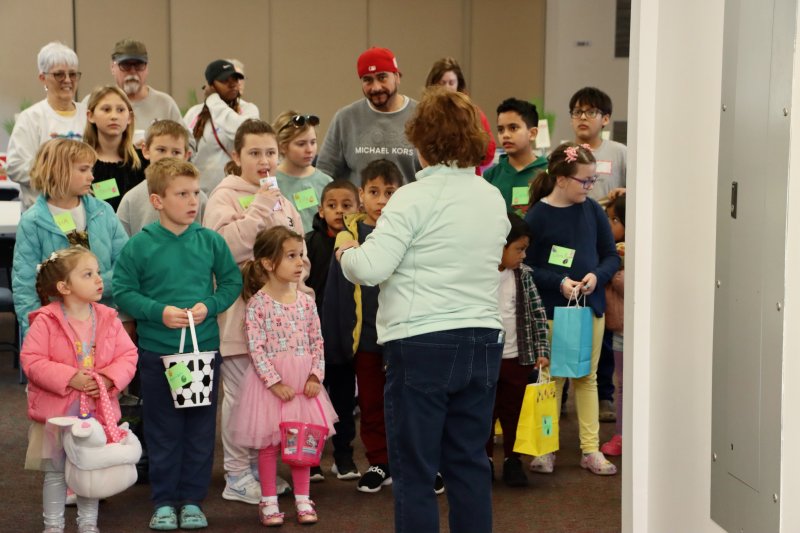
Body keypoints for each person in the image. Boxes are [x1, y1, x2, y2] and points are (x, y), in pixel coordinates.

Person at [336, 87, 509, 533]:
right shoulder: (491, 197)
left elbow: (370, 268)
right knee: (469, 463)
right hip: (483, 339)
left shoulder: (411, 198)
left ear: (422, 141)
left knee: (413, 470)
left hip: (422, 342)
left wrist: (344, 249)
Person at [112, 158, 242, 530]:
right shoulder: (140, 246)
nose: (193, 201)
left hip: (203, 352)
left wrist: (211, 305)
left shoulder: (210, 240)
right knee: (163, 429)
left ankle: (192, 501)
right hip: (158, 352)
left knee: (200, 430)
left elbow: (231, 283)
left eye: (196, 193)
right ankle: (164, 501)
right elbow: (123, 291)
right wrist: (157, 311)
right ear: (156, 201)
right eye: (182, 194)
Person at [203, 118, 307, 504]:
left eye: (270, 153)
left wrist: (300, 280)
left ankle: (258, 470)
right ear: (236, 156)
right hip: (239, 318)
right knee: (240, 398)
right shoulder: (223, 196)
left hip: (283, 322)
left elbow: (299, 252)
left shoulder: (285, 198)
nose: (264, 160)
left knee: (267, 399)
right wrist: (260, 206)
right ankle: (235, 474)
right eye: (255, 153)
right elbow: (226, 249)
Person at [21, 245, 137, 533]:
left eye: (97, 272)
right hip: (57, 417)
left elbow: (128, 355)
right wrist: (70, 377)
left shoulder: (108, 318)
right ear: (64, 286)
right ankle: (53, 526)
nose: (99, 279)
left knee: (90, 470)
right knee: (56, 475)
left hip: (95, 413)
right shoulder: (46, 321)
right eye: (88, 274)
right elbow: (32, 361)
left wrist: (110, 379)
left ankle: (88, 525)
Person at [228, 226, 337, 526]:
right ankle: (269, 502)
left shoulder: (306, 301)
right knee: (269, 446)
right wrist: (274, 382)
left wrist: (316, 375)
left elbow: (318, 341)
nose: (300, 262)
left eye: (300, 255)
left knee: (301, 443)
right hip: (270, 387)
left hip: (303, 384)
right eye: (291, 256)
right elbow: (256, 348)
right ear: (267, 263)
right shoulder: (258, 304)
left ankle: (303, 499)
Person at [523, 142, 620, 477]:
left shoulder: (592, 211)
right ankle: (547, 448)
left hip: (588, 310)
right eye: (584, 181)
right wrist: (559, 281)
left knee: (587, 377)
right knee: (552, 379)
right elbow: (527, 266)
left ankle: (590, 449)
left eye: (593, 180)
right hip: (552, 311)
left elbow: (611, 256)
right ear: (561, 179)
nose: (590, 187)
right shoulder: (537, 216)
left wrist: (597, 275)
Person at [322, 159, 402, 491]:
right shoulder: (348, 235)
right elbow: (336, 293)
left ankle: (414, 462)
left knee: (408, 404)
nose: (381, 200)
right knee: (370, 403)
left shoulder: (405, 230)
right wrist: (336, 341)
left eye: (390, 192)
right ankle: (379, 462)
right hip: (366, 338)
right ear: (361, 194)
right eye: (373, 192)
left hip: (401, 336)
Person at [12, 138, 128, 340]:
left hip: (104, 323)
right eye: (83, 170)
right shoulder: (33, 221)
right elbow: (25, 284)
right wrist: (36, 332)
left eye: (91, 169)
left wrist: (93, 286)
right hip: (57, 329)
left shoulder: (104, 212)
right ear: (58, 170)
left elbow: (126, 264)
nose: (91, 177)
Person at [568, 87, 628, 422]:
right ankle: (561, 391)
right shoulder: (568, 153)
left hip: (607, 244)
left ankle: (604, 394)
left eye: (590, 112)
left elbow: (637, 188)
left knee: (602, 322)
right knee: (565, 318)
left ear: (605, 119)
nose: (582, 118)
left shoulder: (618, 152)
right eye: (577, 111)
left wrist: (624, 193)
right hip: (573, 243)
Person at [488, 212, 550, 488]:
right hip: (486, 359)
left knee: (514, 413)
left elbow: (537, 314)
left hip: (517, 357)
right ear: (499, 245)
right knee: (484, 414)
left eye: (525, 249)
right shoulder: (481, 275)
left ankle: (514, 460)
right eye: (519, 249)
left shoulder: (523, 276)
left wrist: (541, 349)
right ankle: (484, 460)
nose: (523, 255)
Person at [316, 47, 420, 185]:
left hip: (409, 205)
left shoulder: (422, 116)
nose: (376, 87)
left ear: (397, 77)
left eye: (382, 77)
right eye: (368, 80)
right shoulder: (345, 119)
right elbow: (324, 174)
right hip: (359, 207)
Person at [7, 42, 87, 209]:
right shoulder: (31, 118)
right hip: (42, 216)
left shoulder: (87, 115)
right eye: (59, 74)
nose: (67, 80)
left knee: (77, 236)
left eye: (72, 74)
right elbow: (16, 166)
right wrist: (61, 178)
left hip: (82, 213)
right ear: (42, 78)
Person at [117, 119, 209, 236]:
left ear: (186, 156)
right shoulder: (131, 199)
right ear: (145, 150)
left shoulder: (199, 198)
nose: (168, 157)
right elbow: (122, 245)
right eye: (161, 150)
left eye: (176, 152)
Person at [184, 59, 259, 195]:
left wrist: (213, 99)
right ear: (211, 85)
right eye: (225, 80)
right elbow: (185, 150)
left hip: (241, 191)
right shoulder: (194, 114)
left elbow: (242, 131)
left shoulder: (249, 110)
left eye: (235, 79)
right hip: (203, 193)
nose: (233, 85)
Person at [424, 57, 495, 174]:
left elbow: (488, 153)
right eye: (442, 83)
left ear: (459, 85)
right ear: (433, 85)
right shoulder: (425, 115)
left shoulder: (473, 113)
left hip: (467, 176)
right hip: (434, 177)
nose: (447, 88)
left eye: (451, 83)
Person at [102, 39, 182, 143]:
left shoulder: (165, 104)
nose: (132, 71)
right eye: (125, 65)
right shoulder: (97, 103)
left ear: (147, 68)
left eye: (139, 65)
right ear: (112, 67)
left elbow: (188, 144)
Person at [83, 85, 144, 212]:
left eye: (121, 110)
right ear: (90, 116)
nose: (114, 116)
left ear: (130, 118)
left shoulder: (142, 162)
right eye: (106, 109)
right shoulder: (81, 164)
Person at [484, 98, 548, 215]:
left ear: (532, 133)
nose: (505, 135)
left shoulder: (548, 172)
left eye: (513, 128)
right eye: (501, 130)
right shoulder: (490, 176)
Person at [304, 180, 359, 314]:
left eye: (346, 205)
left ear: (359, 210)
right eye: (332, 205)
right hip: (317, 313)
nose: (339, 210)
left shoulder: (364, 241)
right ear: (321, 211)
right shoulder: (308, 242)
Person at [273, 111, 334, 232]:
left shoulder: (326, 182)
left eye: (313, 142)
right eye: (301, 144)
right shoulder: (271, 181)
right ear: (283, 147)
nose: (310, 150)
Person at [600, 194, 626, 456]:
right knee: (622, 387)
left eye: (614, 219)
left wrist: (616, 271)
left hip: (635, 332)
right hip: (618, 330)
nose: (610, 225)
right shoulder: (613, 250)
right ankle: (621, 434)